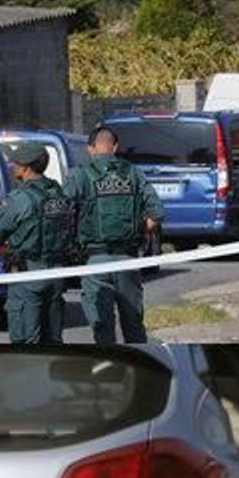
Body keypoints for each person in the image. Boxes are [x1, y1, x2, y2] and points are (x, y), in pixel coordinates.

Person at [63, 125, 165, 344]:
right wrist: (135, 231)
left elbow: (61, 209)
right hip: (128, 260)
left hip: (95, 261)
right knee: (134, 327)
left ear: (90, 148)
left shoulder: (80, 175)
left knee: (102, 328)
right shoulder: (133, 173)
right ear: (115, 147)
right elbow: (156, 213)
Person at [0, 141, 73, 344]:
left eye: (16, 163)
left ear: (26, 167)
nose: (13, 167)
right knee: (53, 338)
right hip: (57, 274)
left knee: (25, 340)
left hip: (28, 274)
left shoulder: (20, 198)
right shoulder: (59, 194)